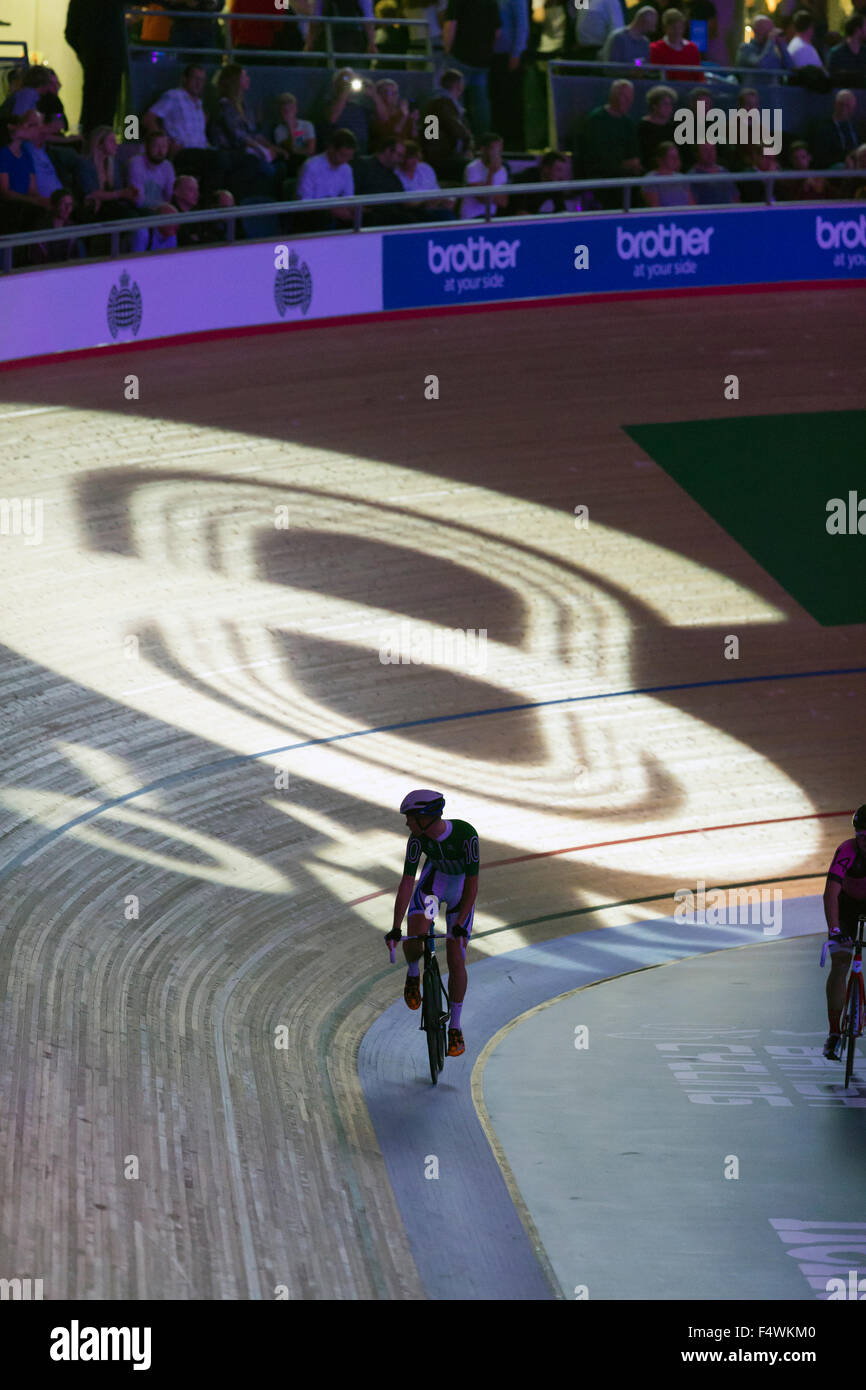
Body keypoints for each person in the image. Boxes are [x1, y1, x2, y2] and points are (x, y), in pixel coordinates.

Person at [386, 790, 479, 1059]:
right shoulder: (416, 840)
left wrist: (460, 924)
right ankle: (414, 973)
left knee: (456, 957)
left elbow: (472, 885)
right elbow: (406, 883)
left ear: (426, 817)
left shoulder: (466, 835)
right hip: (434, 883)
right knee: (416, 935)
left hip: (461, 888)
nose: (407, 824)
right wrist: (395, 927)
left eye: (410, 818)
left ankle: (456, 1029)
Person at [822, 806, 866, 1061]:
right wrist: (835, 931)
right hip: (848, 906)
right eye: (859, 834)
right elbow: (831, 893)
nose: (862, 840)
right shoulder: (847, 850)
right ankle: (835, 1034)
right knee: (840, 962)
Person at [64, 0, 128, 134]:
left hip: (92, 56)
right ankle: (107, 140)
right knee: (110, 103)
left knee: (90, 100)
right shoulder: (113, 6)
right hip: (113, 57)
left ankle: (88, 139)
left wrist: (82, 51)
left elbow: (70, 32)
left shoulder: (79, 3)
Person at [575, 77, 641, 207]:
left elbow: (634, 150)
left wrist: (635, 163)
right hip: (602, 178)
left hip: (626, 177)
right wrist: (621, 165)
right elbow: (594, 155)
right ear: (612, 96)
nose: (628, 102)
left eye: (630, 98)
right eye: (624, 97)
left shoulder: (628, 123)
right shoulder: (596, 120)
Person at [442, 0, 501, 139]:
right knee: (480, 102)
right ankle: (484, 139)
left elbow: (451, 24)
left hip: (460, 55)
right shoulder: (492, 2)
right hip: (482, 58)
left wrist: (447, 50)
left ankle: (456, 139)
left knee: (454, 99)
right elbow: (497, 31)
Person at [295, 127, 357, 228]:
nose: (345, 160)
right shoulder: (311, 166)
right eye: (343, 155)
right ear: (331, 149)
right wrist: (330, 209)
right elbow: (305, 202)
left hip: (335, 210)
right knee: (325, 217)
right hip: (312, 214)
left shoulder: (346, 168)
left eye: (349, 157)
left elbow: (348, 197)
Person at [0, 110, 50, 233]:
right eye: (30, 125)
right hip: (10, 208)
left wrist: (42, 200)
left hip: (23, 205)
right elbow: (4, 192)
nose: (35, 129)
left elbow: (33, 190)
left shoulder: (26, 153)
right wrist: (32, 200)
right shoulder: (4, 153)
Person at [419, 68, 473, 179]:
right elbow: (459, 131)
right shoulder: (440, 105)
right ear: (458, 85)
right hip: (442, 158)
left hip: (447, 155)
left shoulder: (445, 104)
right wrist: (467, 142)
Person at [490, 0, 530, 149]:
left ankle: (514, 142)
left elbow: (522, 25)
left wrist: (516, 53)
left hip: (508, 54)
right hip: (493, 54)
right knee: (497, 100)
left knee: (511, 100)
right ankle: (498, 140)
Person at [78, 125, 139, 219]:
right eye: (111, 141)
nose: (116, 144)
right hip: (95, 208)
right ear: (99, 144)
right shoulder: (85, 164)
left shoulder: (112, 163)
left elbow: (118, 187)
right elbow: (91, 193)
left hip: (113, 205)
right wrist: (120, 194)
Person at [354, 134, 411, 222]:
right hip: (370, 219)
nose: (401, 161)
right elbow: (352, 195)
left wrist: (423, 203)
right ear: (388, 151)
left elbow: (403, 201)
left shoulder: (393, 176)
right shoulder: (362, 166)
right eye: (399, 155)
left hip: (394, 218)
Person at [395, 138, 456, 217]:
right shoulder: (395, 175)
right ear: (402, 158)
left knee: (447, 214)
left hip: (434, 210)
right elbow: (402, 203)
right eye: (411, 158)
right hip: (410, 213)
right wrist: (423, 203)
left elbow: (437, 192)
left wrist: (445, 201)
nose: (415, 161)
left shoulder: (426, 168)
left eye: (417, 157)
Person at [460, 129, 508, 217]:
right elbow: (484, 198)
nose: (496, 154)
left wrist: (489, 194)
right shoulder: (472, 168)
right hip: (472, 217)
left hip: (491, 216)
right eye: (493, 149)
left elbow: (503, 202)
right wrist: (491, 173)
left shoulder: (503, 170)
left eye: (499, 149)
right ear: (483, 149)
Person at [305, 0, 377, 58]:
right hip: (353, 40)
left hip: (329, 38)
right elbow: (368, 20)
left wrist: (310, 42)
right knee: (353, 69)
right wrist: (371, 42)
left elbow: (316, 20)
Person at [810, 88, 861, 169]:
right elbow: (821, 156)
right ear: (835, 104)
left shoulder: (857, 127)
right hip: (836, 165)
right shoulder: (824, 128)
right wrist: (845, 159)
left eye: (847, 105)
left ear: (853, 107)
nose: (844, 108)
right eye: (841, 104)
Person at [735, 14, 793, 84]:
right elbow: (762, 65)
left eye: (771, 27)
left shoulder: (774, 51)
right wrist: (770, 41)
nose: (769, 31)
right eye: (765, 27)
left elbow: (790, 67)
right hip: (755, 92)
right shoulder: (745, 49)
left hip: (773, 92)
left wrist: (782, 46)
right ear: (755, 30)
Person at [649, 7, 703, 81]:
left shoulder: (692, 48)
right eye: (673, 28)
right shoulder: (654, 48)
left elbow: (700, 76)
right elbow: (639, 62)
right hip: (665, 90)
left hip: (690, 90)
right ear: (665, 28)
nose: (677, 31)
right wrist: (637, 63)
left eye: (680, 27)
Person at [510, 147, 571, 211]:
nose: (561, 175)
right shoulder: (526, 179)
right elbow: (521, 213)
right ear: (546, 168)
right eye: (558, 170)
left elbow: (561, 210)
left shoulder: (553, 182)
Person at [369, 78, 418, 149]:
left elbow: (414, 138)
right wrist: (403, 118)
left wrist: (414, 121)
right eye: (388, 92)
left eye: (396, 92)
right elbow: (390, 138)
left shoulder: (403, 112)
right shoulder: (374, 115)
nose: (394, 96)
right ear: (379, 95)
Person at [637, 83, 676, 169]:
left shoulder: (672, 127)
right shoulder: (643, 127)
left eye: (670, 104)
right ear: (654, 106)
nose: (669, 107)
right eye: (665, 104)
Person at [828, 14, 866, 85]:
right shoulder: (836, 54)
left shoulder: (864, 52)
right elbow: (832, 81)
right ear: (857, 29)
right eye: (865, 26)